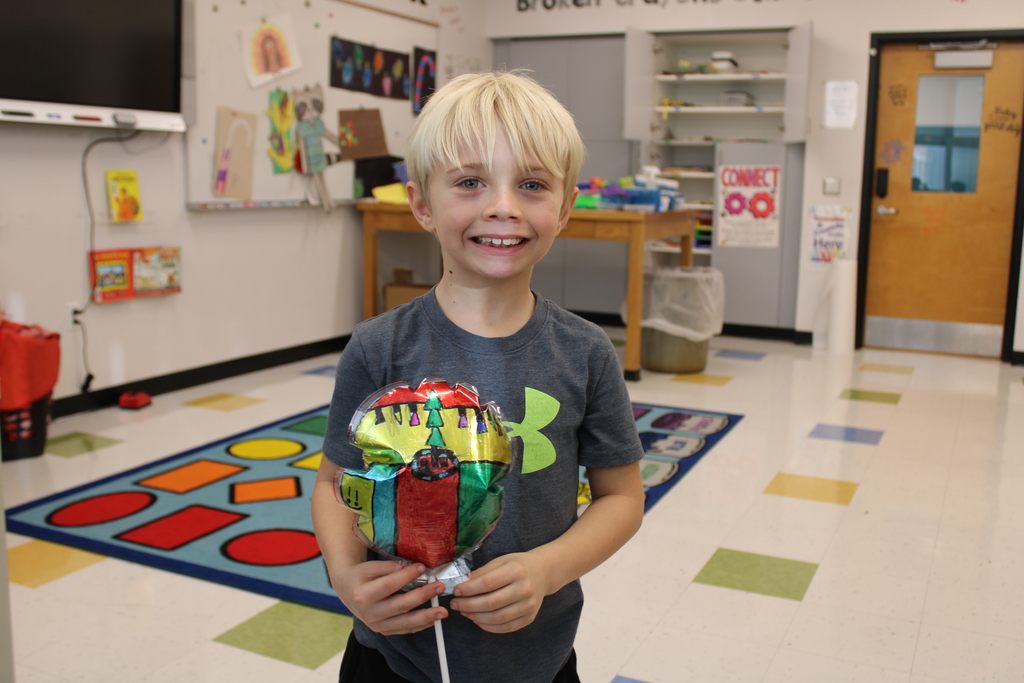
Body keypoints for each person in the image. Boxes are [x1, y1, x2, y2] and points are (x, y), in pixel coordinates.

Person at [311, 70, 646, 683]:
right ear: (421, 203)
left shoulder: (588, 352)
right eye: (469, 182)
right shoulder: (377, 347)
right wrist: (344, 576)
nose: (503, 206)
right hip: (393, 657)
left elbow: (622, 498)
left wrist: (546, 569)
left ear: (566, 207)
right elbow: (335, 485)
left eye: (532, 184)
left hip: (536, 658)